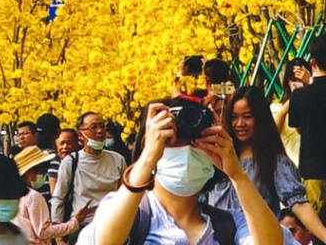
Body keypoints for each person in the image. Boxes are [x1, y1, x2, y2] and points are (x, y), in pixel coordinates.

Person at [92, 100, 282, 245]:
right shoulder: (128, 214)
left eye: (197, 140)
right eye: (173, 139)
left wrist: (237, 175)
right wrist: (147, 157)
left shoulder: (228, 224)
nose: (187, 149)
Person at [209, 87, 326, 245]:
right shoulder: (216, 158)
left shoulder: (274, 162)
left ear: (261, 118)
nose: (240, 123)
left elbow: (298, 203)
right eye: (234, 117)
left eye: (247, 117)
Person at [51, 116, 122, 225]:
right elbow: (59, 197)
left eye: (102, 126)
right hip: (83, 226)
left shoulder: (117, 159)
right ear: (80, 135)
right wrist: (58, 234)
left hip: (113, 224)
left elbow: (125, 194)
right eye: (93, 127)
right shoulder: (71, 162)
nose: (100, 131)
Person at [11, 149, 84, 245]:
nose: (43, 174)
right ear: (29, 173)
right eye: (40, 170)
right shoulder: (33, 197)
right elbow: (43, 232)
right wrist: (74, 223)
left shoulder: (14, 196)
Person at [288, 36, 326, 215]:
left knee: (315, 229)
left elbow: (299, 129)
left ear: (312, 62)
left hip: (313, 172)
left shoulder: (299, 96)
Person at [274, 64, 312, 170]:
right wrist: (286, 108)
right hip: (289, 167)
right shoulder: (276, 108)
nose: (299, 84)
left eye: (302, 80)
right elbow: (272, 135)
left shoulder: (316, 106)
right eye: (294, 80)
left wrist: (311, 85)